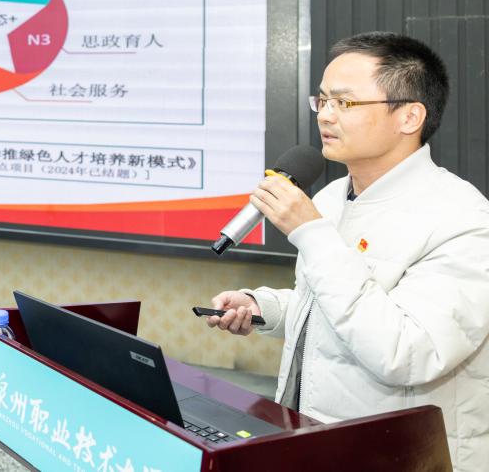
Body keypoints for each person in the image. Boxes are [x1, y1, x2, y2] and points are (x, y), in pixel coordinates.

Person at [204, 32, 489, 472]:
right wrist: (265, 308)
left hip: (401, 456)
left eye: (345, 102)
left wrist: (311, 233)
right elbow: (333, 304)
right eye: (322, 100)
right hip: (318, 439)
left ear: (409, 116)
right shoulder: (333, 197)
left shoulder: (463, 218)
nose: (326, 115)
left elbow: (407, 352)